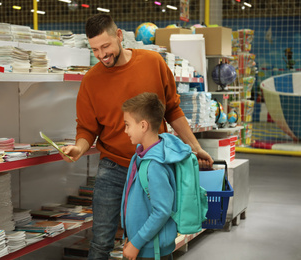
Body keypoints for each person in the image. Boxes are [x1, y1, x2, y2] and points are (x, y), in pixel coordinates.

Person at [60, 14, 213, 259]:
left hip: (155, 165)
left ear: (119, 36)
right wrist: (78, 149)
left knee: (155, 236)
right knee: (100, 241)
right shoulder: (91, 81)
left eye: (106, 46)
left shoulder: (153, 62)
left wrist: (194, 147)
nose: (101, 55)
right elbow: (87, 129)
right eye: (95, 49)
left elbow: (172, 109)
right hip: (113, 167)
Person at [121, 92, 187, 260]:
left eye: (127, 124)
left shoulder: (155, 165)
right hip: (142, 245)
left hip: (152, 250)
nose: (125, 130)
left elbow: (162, 211)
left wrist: (136, 243)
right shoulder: (139, 157)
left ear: (143, 126)